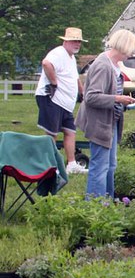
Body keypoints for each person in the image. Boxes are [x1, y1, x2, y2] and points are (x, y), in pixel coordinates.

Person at [75, 30, 135, 198]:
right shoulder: (103, 65)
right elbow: (91, 97)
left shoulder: (114, 65)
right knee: (100, 166)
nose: (132, 54)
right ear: (124, 46)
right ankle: (94, 207)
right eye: (132, 49)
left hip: (112, 121)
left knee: (110, 165)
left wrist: (124, 102)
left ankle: (107, 202)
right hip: (99, 123)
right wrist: (118, 99)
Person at [35, 27, 88, 174]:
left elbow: (74, 77)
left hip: (65, 102)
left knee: (70, 131)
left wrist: (82, 91)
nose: (77, 44)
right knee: (52, 133)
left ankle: (71, 164)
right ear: (66, 41)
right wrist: (54, 82)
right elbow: (46, 63)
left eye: (79, 41)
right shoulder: (58, 53)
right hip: (52, 98)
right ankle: (50, 166)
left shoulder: (71, 58)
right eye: (74, 41)